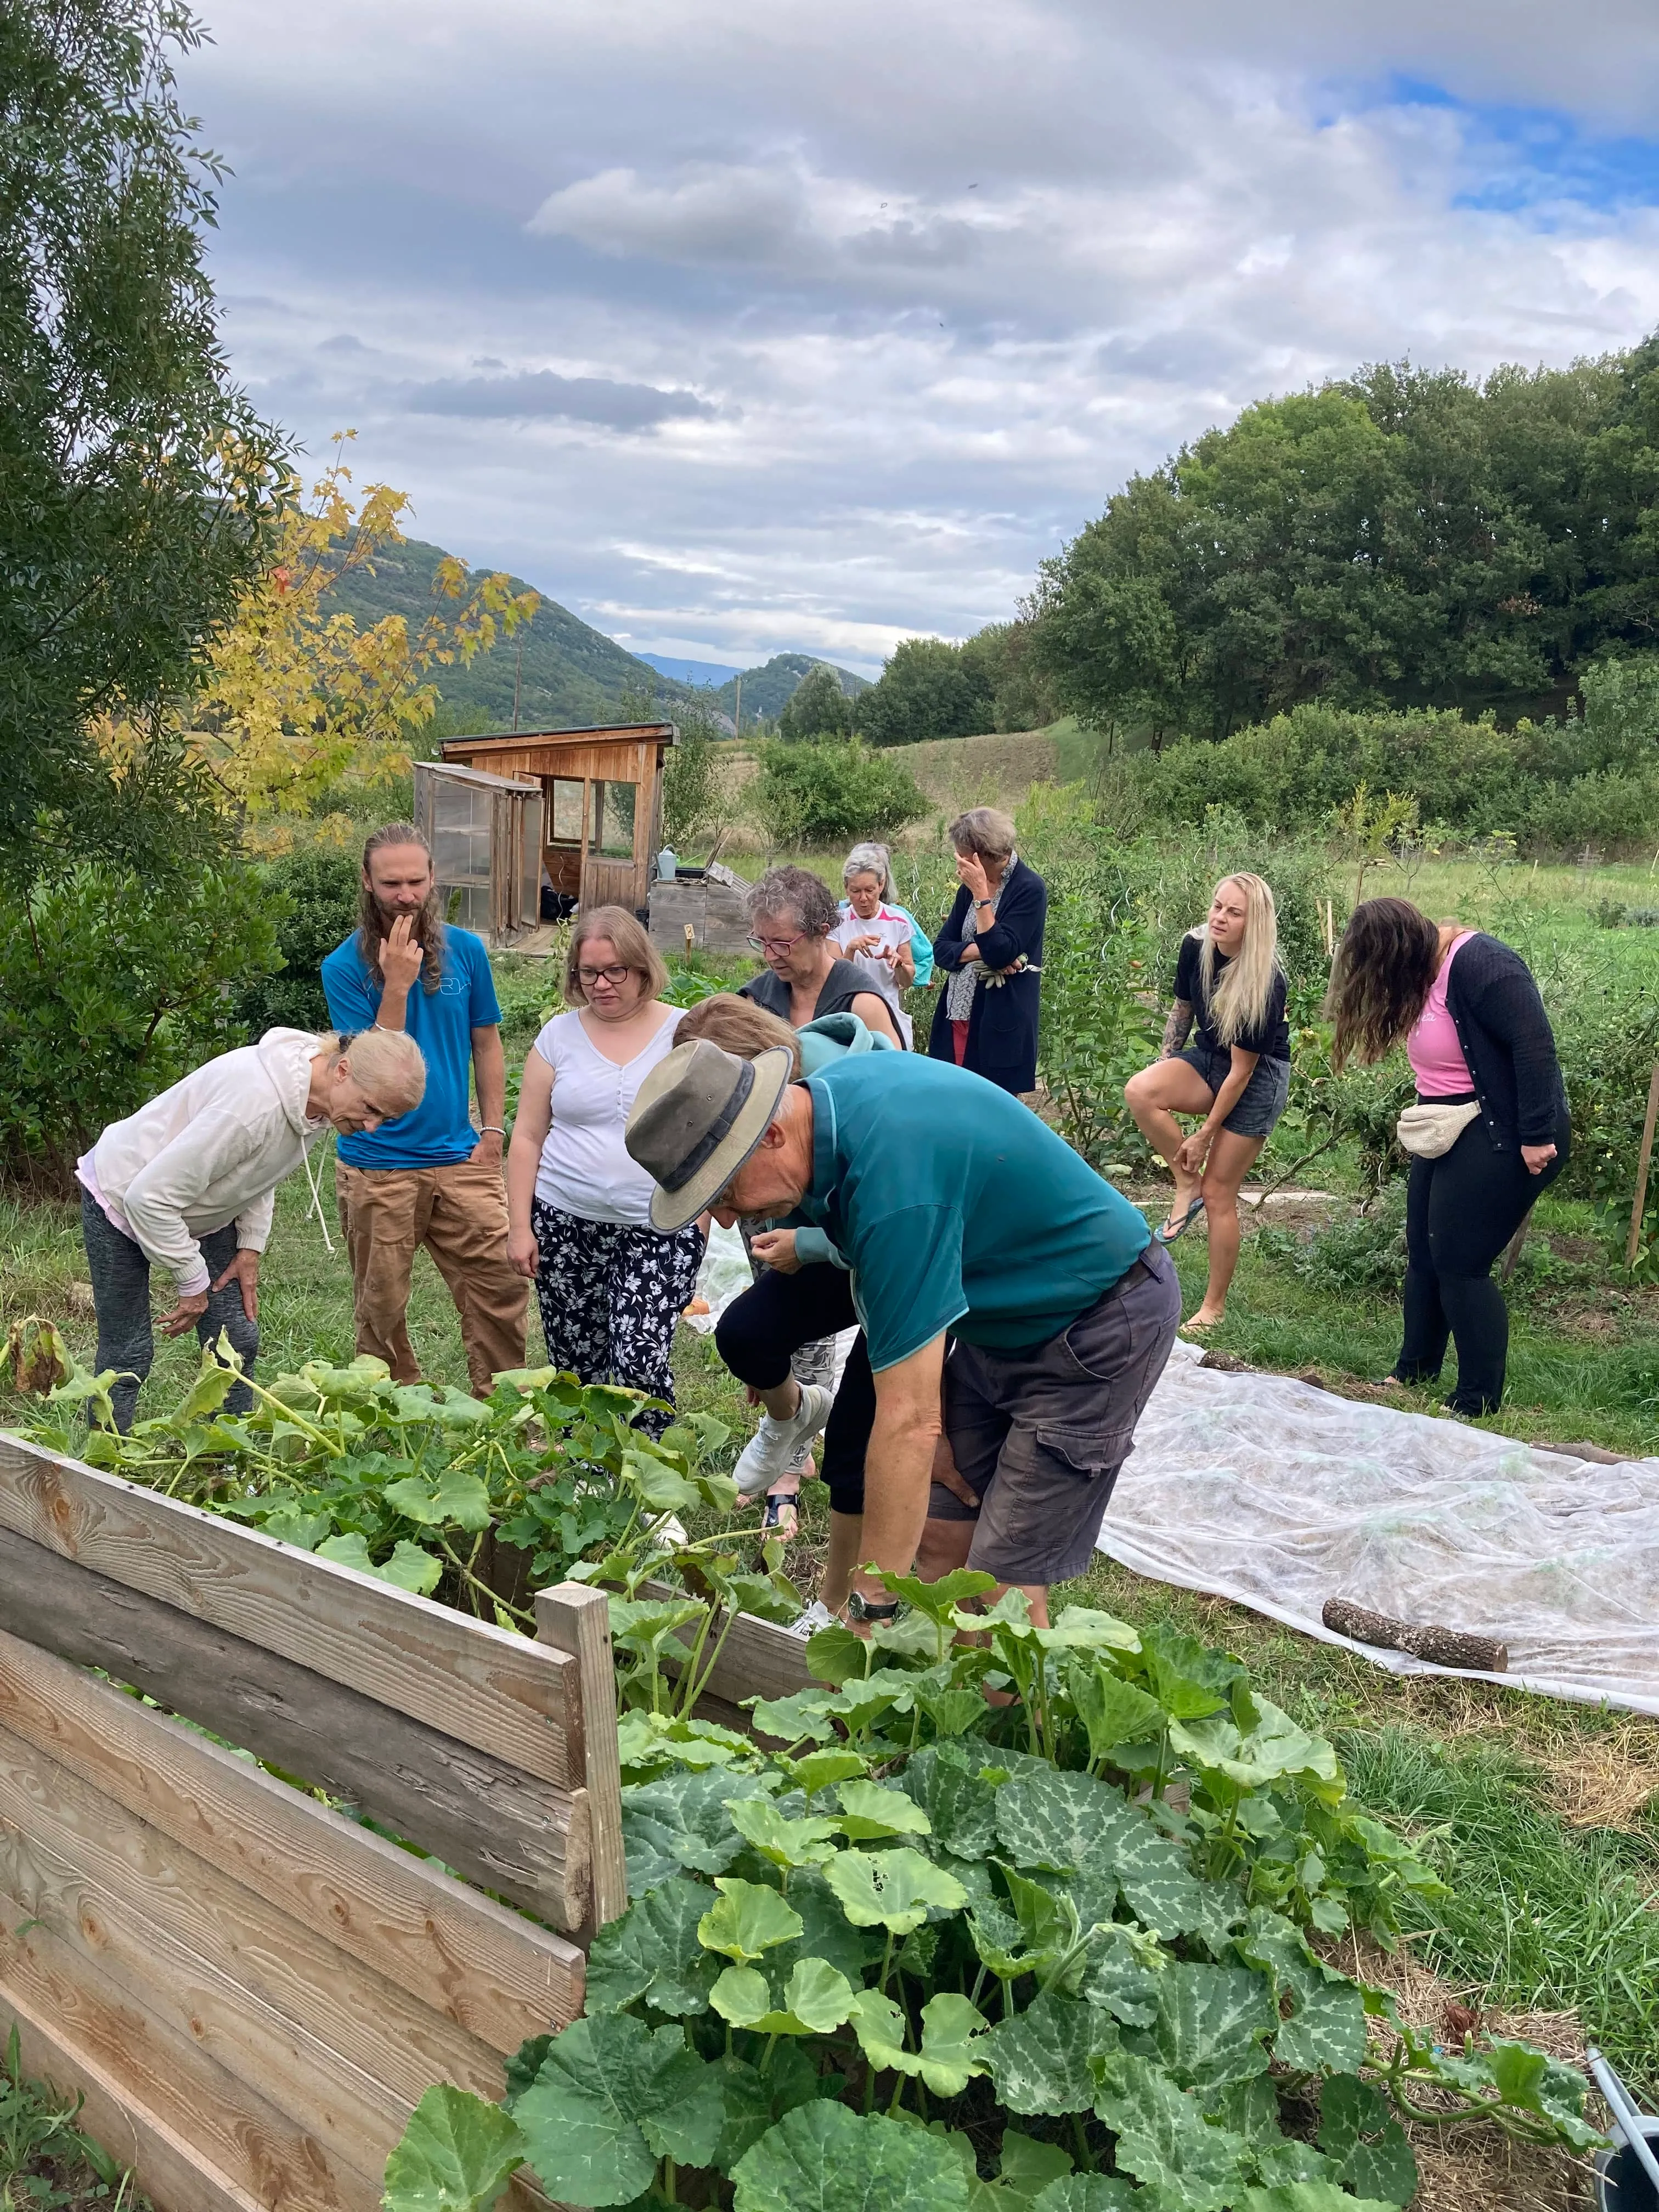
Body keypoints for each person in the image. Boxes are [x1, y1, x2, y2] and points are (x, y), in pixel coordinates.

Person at [625, 1040, 1182, 1630]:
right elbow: (914, 1380)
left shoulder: (895, 1186)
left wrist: (869, 1604)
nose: (732, 1217)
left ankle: (1012, 1720)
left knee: (1001, 1587)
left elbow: (908, 1422)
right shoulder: (832, 1106)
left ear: (770, 1135)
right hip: (996, 1324)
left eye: (727, 1189)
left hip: (1098, 1322)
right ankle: (960, 1710)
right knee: (942, 1536)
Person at [77, 1027, 426, 1432]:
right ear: (343, 1070)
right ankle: (104, 1465)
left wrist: (249, 1247)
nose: (371, 1126)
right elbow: (148, 1199)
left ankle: (224, 1460)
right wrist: (192, 1280)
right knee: (129, 1352)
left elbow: (259, 1170)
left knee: (236, 1339)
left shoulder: (320, 1099)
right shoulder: (253, 1106)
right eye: (371, 1109)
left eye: (384, 1118)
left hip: (200, 1205)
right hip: (122, 1195)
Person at [1326, 896, 1569, 1418]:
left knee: (1461, 1261)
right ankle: (1415, 1370)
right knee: (1425, 1253)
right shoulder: (1424, 972)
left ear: (1403, 950)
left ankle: (1477, 1398)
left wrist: (1536, 1135)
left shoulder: (1483, 963)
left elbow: (1535, 1046)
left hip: (1505, 1129)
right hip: (1445, 1127)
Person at [676, 992, 889, 1579]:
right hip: (839, 1247)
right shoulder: (781, 1099)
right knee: (746, 1333)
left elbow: (891, 1222)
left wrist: (811, 1246)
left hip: (901, 1264)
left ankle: (845, 1603)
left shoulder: (846, 1093)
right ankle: (790, 1416)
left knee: (855, 1437)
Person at [322, 821, 528, 1399]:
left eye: (416, 880)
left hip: (461, 1154)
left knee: (500, 1284)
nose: (405, 894)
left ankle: (509, 1409)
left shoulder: (466, 951)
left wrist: (492, 1129)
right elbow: (369, 1066)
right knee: (381, 1303)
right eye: (391, 883)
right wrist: (396, 985)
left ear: (433, 878)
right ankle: (398, 1409)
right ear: (367, 882)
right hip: (378, 1164)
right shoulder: (343, 967)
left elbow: (487, 1043)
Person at [505, 908, 702, 1433]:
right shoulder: (557, 1037)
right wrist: (519, 1227)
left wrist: (701, 1218)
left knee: (639, 1357)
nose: (601, 984)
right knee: (577, 1364)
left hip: (659, 1224)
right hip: (567, 1222)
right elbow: (526, 1137)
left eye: (615, 970)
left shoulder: (684, 1030)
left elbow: (714, 1131)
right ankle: (588, 1481)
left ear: (642, 969)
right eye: (588, 972)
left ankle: (648, 1477)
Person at [1124, 873, 1291, 1330]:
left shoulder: (1265, 980)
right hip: (1210, 1057)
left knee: (1220, 1192)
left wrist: (1204, 1135)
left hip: (1257, 1078)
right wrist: (1164, 1066)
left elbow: (1242, 1073)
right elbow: (1182, 1012)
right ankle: (1185, 1182)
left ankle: (1213, 1307)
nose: (1219, 917)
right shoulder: (1195, 947)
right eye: (1217, 906)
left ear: (1253, 922)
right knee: (1141, 1089)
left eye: (1233, 912)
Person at [928, 808, 1046, 1093]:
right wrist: (980, 951)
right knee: (954, 1101)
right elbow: (941, 950)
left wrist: (983, 897)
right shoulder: (965, 890)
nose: (959, 863)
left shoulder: (1029, 889)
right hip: (958, 1011)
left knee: (993, 1111)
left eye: (963, 856)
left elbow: (1000, 953)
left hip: (1001, 1023)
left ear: (983, 855)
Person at [740, 866, 903, 1046]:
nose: (770, 956)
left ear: (820, 933)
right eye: (761, 942)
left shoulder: (862, 1005)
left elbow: (896, 1071)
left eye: (781, 944)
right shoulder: (757, 1001)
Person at [829, 841, 929, 1046]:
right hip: (848, 1019)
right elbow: (830, 979)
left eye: (870, 890)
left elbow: (907, 980)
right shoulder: (837, 922)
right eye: (856, 891)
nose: (863, 898)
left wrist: (899, 964)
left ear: (881, 885)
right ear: (846, 888)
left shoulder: (898, 921)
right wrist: (850, 950)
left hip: (889, 1017)